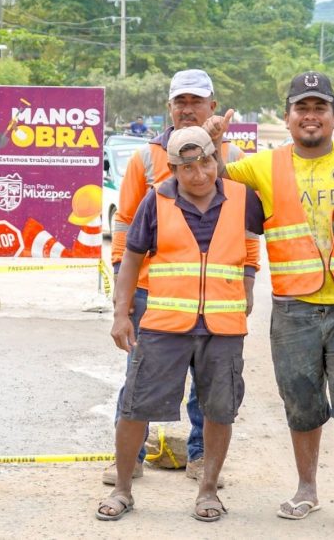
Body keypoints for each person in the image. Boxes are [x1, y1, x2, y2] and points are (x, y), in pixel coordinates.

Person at [205, 71, 334, 533]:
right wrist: (214, 142)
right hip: (293, 306)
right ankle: (306, 489)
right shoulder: (264, 165)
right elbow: (215, 179)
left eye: (320, 108)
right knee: (301, 401)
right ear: (287, 117)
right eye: (302, 108)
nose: (310, 116)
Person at [97, 127, 261, 523]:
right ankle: (122, 490)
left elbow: (255, 241)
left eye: (206, 162)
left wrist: (248, 283)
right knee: (135, 405)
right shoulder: (156, 200)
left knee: (220, 410)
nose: (199, 174)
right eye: (187, 167)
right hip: (164, 325)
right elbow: (131, 258)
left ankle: (208, 491)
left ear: (215, 158)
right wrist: (121, 313)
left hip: (223, 327)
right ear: (172, 169)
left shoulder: (242, 197)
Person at [105, 68, 246, 486]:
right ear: (168, 107)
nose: (187, 109)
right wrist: (122, 287)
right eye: (180, 102)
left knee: (209, 388)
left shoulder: (235, 157)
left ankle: (200, 457)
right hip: (152, 293)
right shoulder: (146, 157)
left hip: (215, 295)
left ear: (212, 105)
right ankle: (128, 460)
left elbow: (244, 223)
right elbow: (126, 223)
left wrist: (248, 280)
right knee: (139, 382)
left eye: (196, 102)